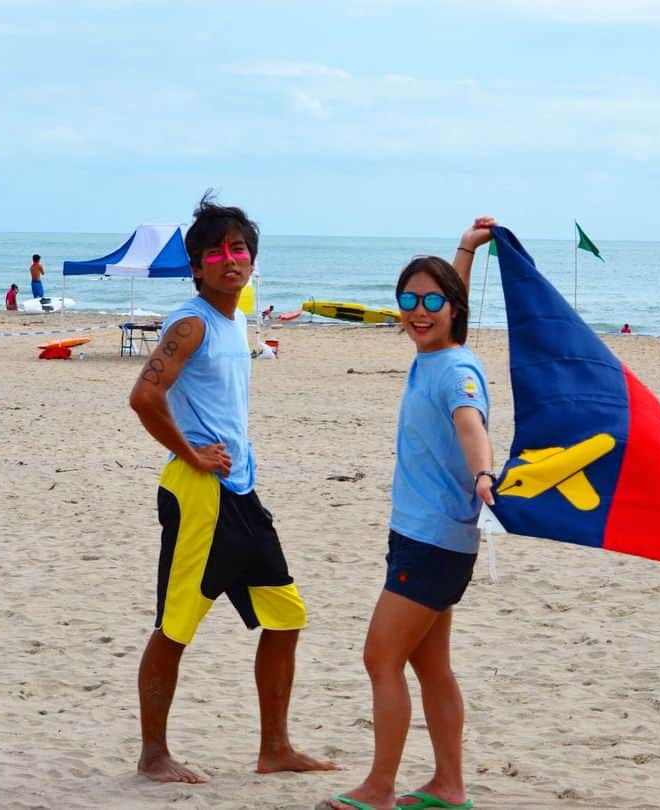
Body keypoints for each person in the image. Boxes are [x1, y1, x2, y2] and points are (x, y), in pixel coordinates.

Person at [128, 193, 338, 785]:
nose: (230, 259)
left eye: (239, 249)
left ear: (251, 260)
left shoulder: (237, 315)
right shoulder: (191, 322)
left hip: (240, 492)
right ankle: (153, 756)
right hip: (199, 493)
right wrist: (190, 452)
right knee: (175, 625)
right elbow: (144, 397)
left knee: (285, 616)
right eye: (216, 252)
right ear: (196, 266)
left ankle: (275, 748)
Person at [320, 217, 496, 810]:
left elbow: (470, 425)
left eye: (431, 301)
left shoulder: (457, 372)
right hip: (423, 539)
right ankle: (449, 787)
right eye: (408, 299)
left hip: (434, 545)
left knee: (380, 658)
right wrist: (466, 248)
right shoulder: (437, 352)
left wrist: (483, 472)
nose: (418, 310)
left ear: (452, 309)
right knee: (431, 667)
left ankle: (379, 788)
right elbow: (450, 297)